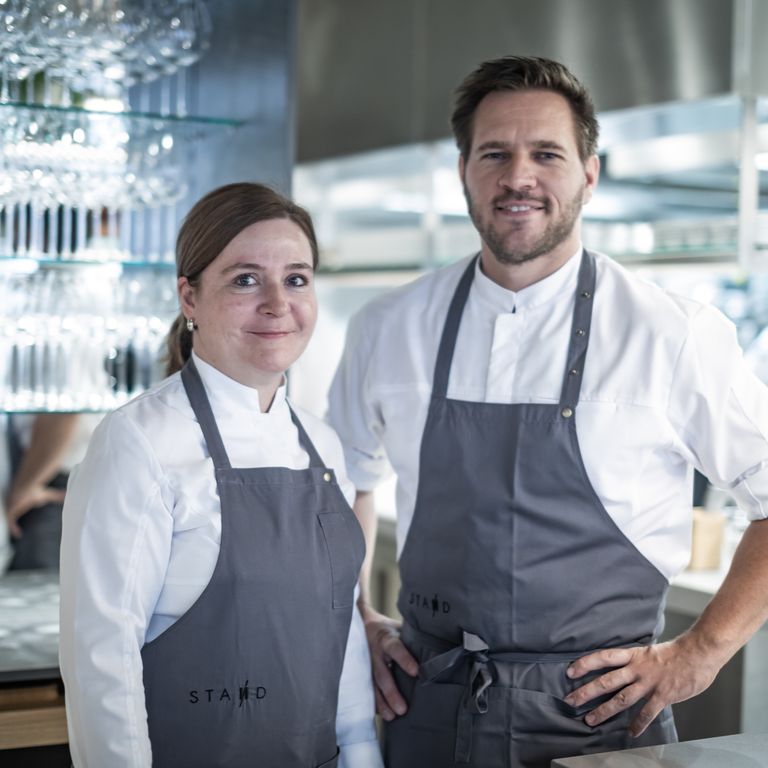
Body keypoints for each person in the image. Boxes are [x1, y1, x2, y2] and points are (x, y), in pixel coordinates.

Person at [327, 56, 768, 767]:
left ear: (589, 174)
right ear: (463, 169)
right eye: (495, 153)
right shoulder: (389, 326)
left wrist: (700, 652)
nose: (518, 177)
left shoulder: (670, 332)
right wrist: (353, 619)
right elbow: (339, 482)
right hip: (426, 714)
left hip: (599, 725)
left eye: (547, 154)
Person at [59, 182, 383, 768]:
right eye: (245, 279)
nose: (277, 303)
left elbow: (344, 639)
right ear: (189, 297)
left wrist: (362, 754)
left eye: (297, 278)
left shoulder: (324, 446)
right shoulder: (138, 444)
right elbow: (101, 660)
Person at [5, 412, 94, 571]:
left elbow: (63, 412)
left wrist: (24, 488)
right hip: (44, 475)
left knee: (37, 577)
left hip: (49, 480)